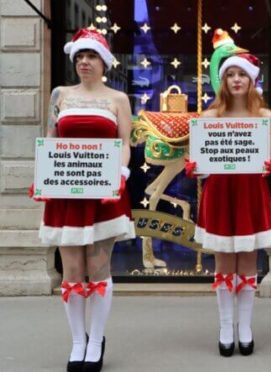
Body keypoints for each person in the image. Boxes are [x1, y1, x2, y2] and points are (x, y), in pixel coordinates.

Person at [30, 28, 135, 372]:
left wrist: (121, 173)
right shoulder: (59, 94)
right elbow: (50, 138)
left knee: (97, 267)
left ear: (103, 62)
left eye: (90, 56)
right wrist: (42, 177)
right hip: (66, 195)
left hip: (103, 196)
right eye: (79, 57)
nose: (84, 62)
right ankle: (78, 340)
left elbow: (125, 143)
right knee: (71, 269)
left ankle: (97, 339)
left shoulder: (118, 99)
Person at [185, 53, 271, 357]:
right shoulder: (209, 118)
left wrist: (267, 163)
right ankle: (226, 327)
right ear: (223, 81)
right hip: (221, 192)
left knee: (248, 260)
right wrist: (197, 166)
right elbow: (200, 161)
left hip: (250, 193)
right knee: (224, 261)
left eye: (242, 74)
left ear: (252, 80)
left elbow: (270, 159)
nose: (236, 79)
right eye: (230, 74)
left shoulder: (265, 117)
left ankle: (246, 327)